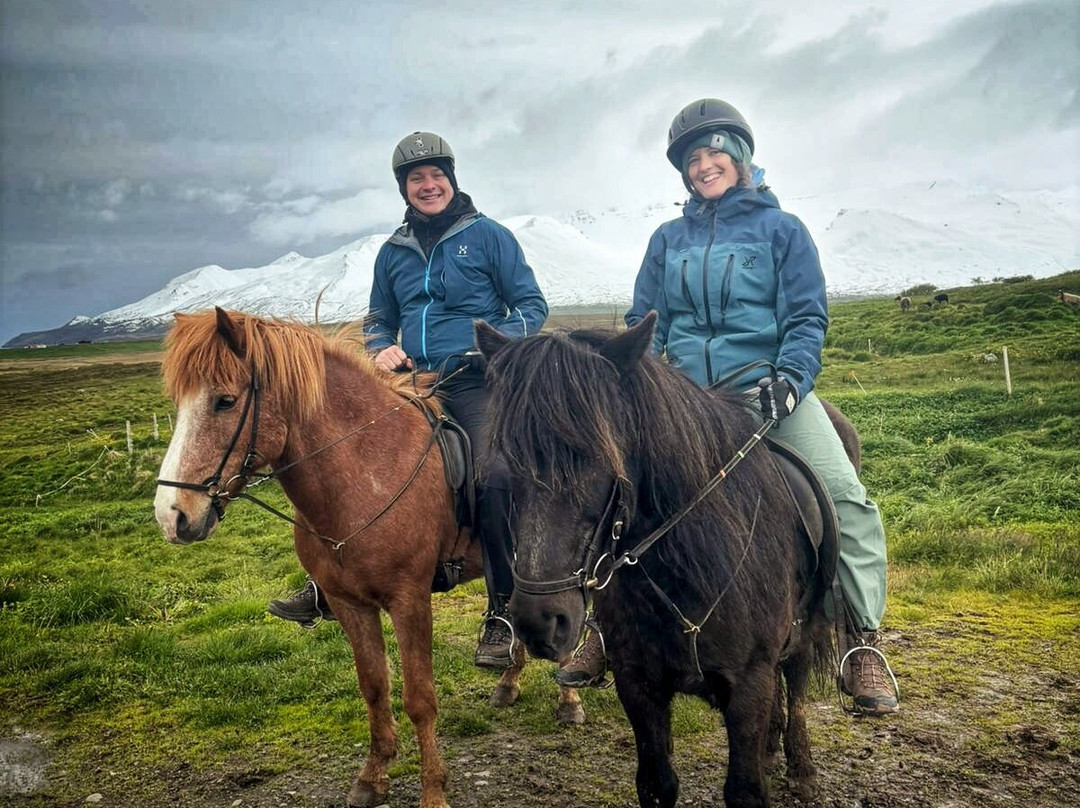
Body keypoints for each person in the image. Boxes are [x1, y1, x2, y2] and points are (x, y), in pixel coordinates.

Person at [558, 99, 899, 716]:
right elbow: (645, 322)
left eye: (714, 152)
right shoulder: (668, 239)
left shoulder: (783, 231)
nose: (703, 166)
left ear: (740, 157)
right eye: (692, 160)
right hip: (682, 397)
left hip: (766, 389)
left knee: (845, 496)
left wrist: (791, 379)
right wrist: (648, 387)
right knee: (609, 490)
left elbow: (805, 317)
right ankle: (604, 630)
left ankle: (860, 639)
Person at [269, 131, 549, 671]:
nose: (428, 185)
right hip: (410, 380)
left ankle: (501, 611)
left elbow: (531, 305)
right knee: (343, 461)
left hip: (476, 380)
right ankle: (326, 581)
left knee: (494, 474)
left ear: (452, 179)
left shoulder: (489, 237)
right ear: (404, 188)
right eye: (416, 178)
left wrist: (488, 344)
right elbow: (378, 317)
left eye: (436, 175)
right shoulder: (392, 252)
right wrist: (380, 347)